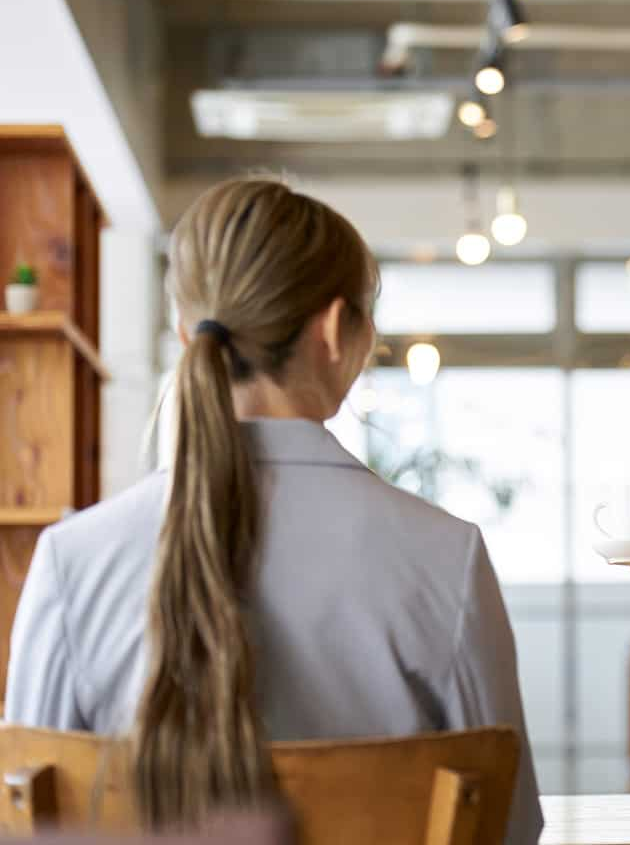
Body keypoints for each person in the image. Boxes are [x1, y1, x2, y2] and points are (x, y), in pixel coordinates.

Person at [5, 179, 543, 843]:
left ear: (184, 333)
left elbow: (21, 825)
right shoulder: (444, 557)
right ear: (330, 329)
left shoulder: (70, 562)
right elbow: (510, 826)